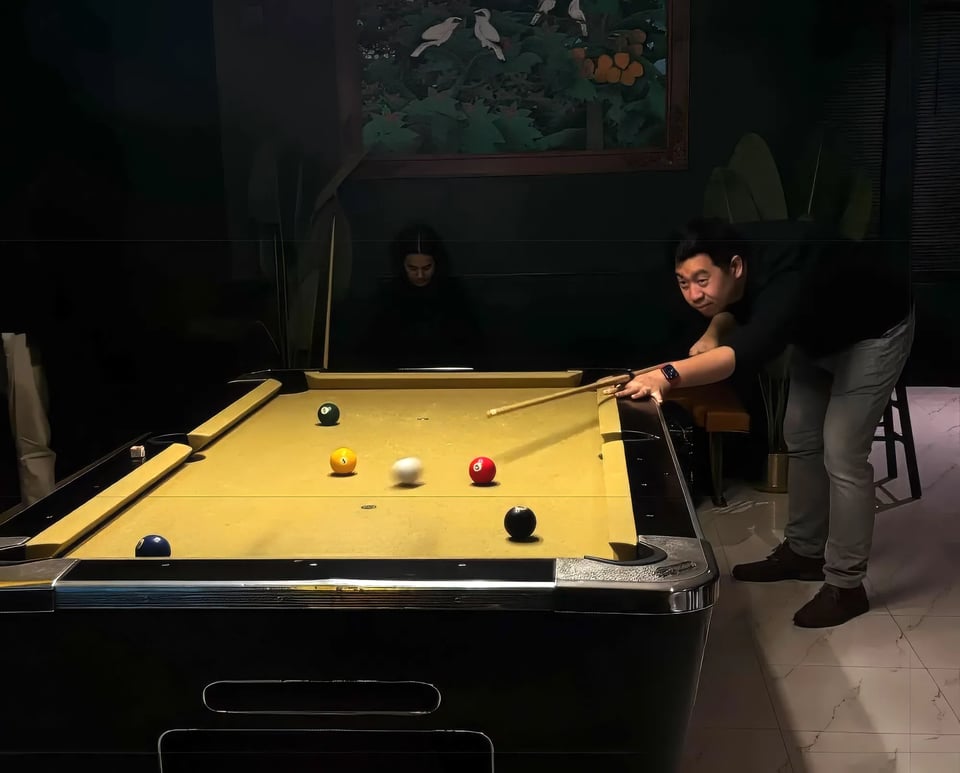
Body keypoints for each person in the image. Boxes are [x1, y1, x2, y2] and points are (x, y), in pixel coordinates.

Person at [610, 218, 914, 628]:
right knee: (802, 439)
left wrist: (663, 374)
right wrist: (717, 328)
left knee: (842, 451)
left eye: (702, 280)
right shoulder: (735, 255)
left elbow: (744, 353)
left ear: (734, 266)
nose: (694, 294)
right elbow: (735, 307)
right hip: (816, 334)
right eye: (684, 283)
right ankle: (805, 553)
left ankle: (846, 587)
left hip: (874, 331)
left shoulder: (788, 273)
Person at [362, 224, 487, 370]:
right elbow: (372, 351)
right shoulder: (387, 297)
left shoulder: (455, 295)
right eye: (413, 268)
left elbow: (474, 347)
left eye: (427, 268)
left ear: (437, 263)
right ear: (401, 265)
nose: (420, 275)